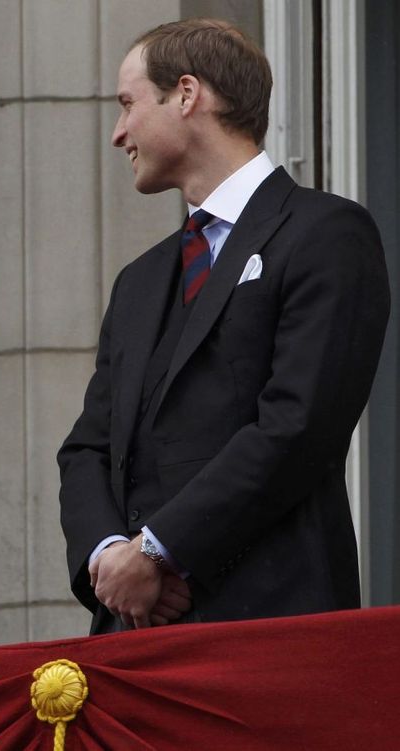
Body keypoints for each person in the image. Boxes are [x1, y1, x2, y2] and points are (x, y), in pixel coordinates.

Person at [57, 19, 390, 633]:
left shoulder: (326, 234)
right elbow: (87, 448)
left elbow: (297, 425)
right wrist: (114, 561)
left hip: (271, 628)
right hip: (135, 638)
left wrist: (160, 550)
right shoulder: (139, 281)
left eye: (128, 104)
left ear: (186, 95)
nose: (118, 133)